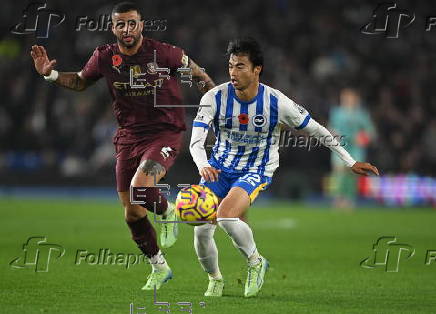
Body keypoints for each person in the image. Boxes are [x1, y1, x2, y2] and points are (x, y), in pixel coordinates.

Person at [30, 1, 215, 290]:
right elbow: (80, 82)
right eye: (120, 24)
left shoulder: (165, 53)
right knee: (132, 212)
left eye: (132, 23)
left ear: (141, 25)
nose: (126, 29)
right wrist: (50, 75)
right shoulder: (104, 57)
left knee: (140, 188)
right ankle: (159, 267)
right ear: (113, 27)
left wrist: (213, 111)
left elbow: (200, 77)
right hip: (128, 136)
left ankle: (167, 211)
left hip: (164, 132)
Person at [189, 38, 379, 297]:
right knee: (201, 230)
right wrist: (202, 165)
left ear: (257, 70)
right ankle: (215, 279)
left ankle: (256, 263)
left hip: (255, 169)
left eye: (241, 66)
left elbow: (317, 130)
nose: (233, 72)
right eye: (231, 66)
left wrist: (350, 161)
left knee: (225, 216)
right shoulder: (214, 97)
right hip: (218, 168)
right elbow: (195, 142)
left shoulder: (277, 102)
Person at [329, 88, 376, 209]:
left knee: (352, 173)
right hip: (340, 146)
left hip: (355, 148)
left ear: (355, 99)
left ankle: (349, 200)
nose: (347, 100)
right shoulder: (336, 112)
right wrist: (333, 134)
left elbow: (371, 132)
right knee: (338, 172)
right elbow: (330, 128)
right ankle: (338, 198)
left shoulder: (361, 114)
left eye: (349, 98)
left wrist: (362, 138)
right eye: (344, 98)